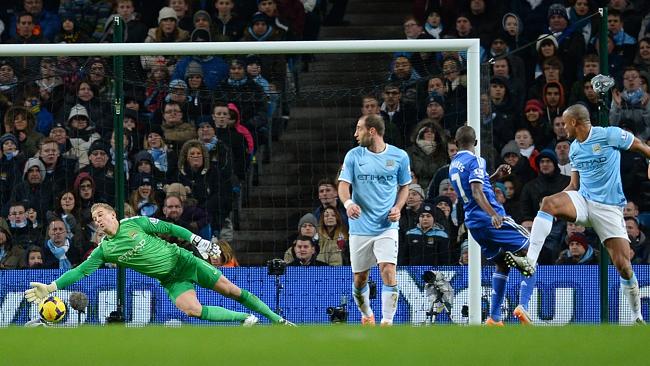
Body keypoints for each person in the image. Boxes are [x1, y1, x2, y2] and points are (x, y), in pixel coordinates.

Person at [24, 203, 294, 326]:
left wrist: (197, 240)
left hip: (184, 261)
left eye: (101, 214)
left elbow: (168, 226)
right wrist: (51, 286)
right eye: (95, 219)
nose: (98, 220)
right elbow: (80, 271)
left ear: (113, 215)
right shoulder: (103, 250)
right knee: (191, 310)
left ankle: (278, 320)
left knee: (232, 291)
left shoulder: (136, 224)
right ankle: (248, 319)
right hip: (170, 279)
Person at [515, 104, 650, 324]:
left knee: (624, 266)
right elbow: (574, 184)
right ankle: (530, 260)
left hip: (608, 208)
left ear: (575, 121)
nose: (562, 127)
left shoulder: (609, 135)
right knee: (548, 203)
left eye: (565, 122)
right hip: (584, 201)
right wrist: (555, 202)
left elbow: (640, 146)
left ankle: (636, 316)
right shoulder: (575, 148)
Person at [449, 125, 536, 326]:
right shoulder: (476, 160)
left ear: (455, 142)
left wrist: (495, 176)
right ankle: (523, 305)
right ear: (476, 143)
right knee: (532, 248)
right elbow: (477, 192)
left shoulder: (454, 164)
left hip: (473, 223)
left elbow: (476, 187)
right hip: (488, 219)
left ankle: (494, 318)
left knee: (502, 263)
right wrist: (494, 214)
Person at [338, 114, 411, 326]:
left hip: (386, 227)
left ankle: (387, 322)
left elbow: (405, 185)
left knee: (388, 269)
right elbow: (343, 185)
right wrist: (349, 204)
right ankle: (367, 314)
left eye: (359, 128)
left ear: (372, 131)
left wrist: (398, 207)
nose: (355, 134)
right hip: (360, 227)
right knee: (360, 278)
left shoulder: (399, 156)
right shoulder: (353, 156)